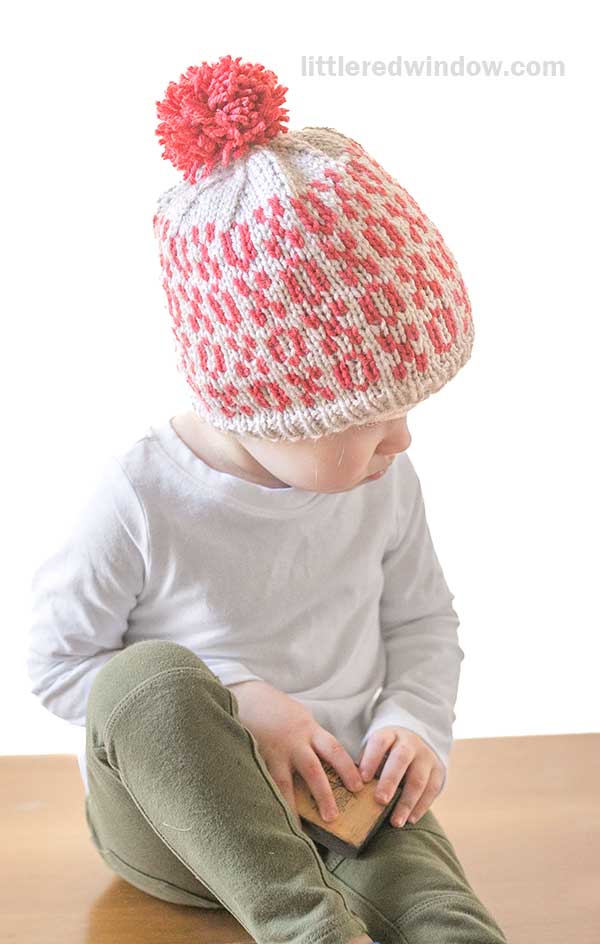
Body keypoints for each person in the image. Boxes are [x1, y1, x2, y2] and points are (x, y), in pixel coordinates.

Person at [28, 54, 508, 944]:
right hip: (184, 828)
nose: (401, 440)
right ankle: (304, 927)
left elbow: (422, 623)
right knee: (148, 679)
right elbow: (59, 666)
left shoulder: (382, 478)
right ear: (260, 405)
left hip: (341, 798)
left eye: (410, 410)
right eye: (371, 417)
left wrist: (412, 724)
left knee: (440, 911)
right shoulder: (141, 494)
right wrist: (235, 697)